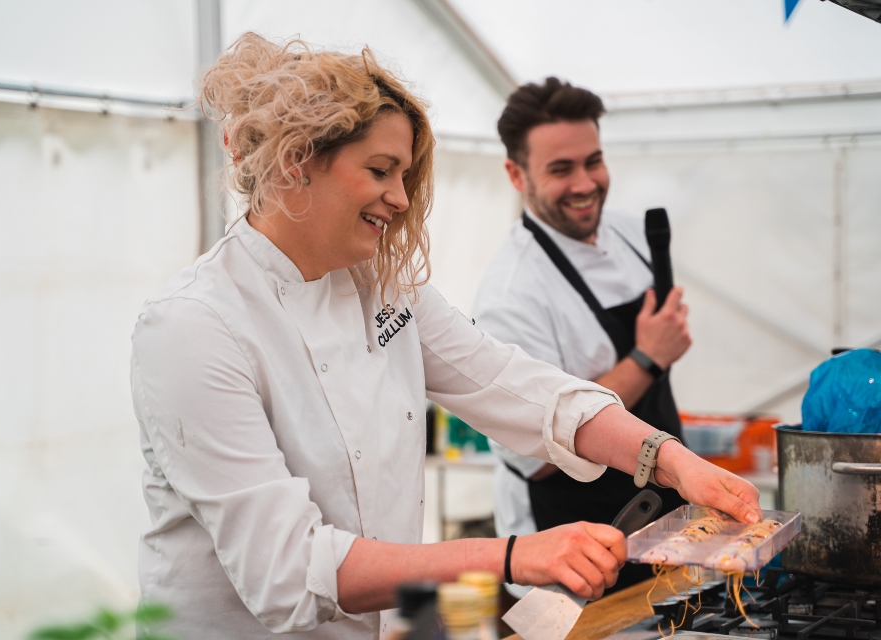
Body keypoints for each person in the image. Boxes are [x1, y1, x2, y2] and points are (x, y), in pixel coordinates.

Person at [130, 34, 761, 640]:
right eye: (381, 170)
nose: (401, 199)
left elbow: (517, 387)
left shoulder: (384, 289)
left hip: (396, 622)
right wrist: (514, 557)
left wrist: (674, 462)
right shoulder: (193, 327)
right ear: (299, 161)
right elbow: (287, 571)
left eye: (404, 174)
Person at [474, 78, 694, 594]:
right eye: (560, 169)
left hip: (664, 521)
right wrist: (646, 358)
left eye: (593, 161)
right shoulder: (511, 295)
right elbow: (537, 457)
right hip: (572, 545)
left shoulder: (625, 233)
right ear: (515, 174)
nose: (585, 184)